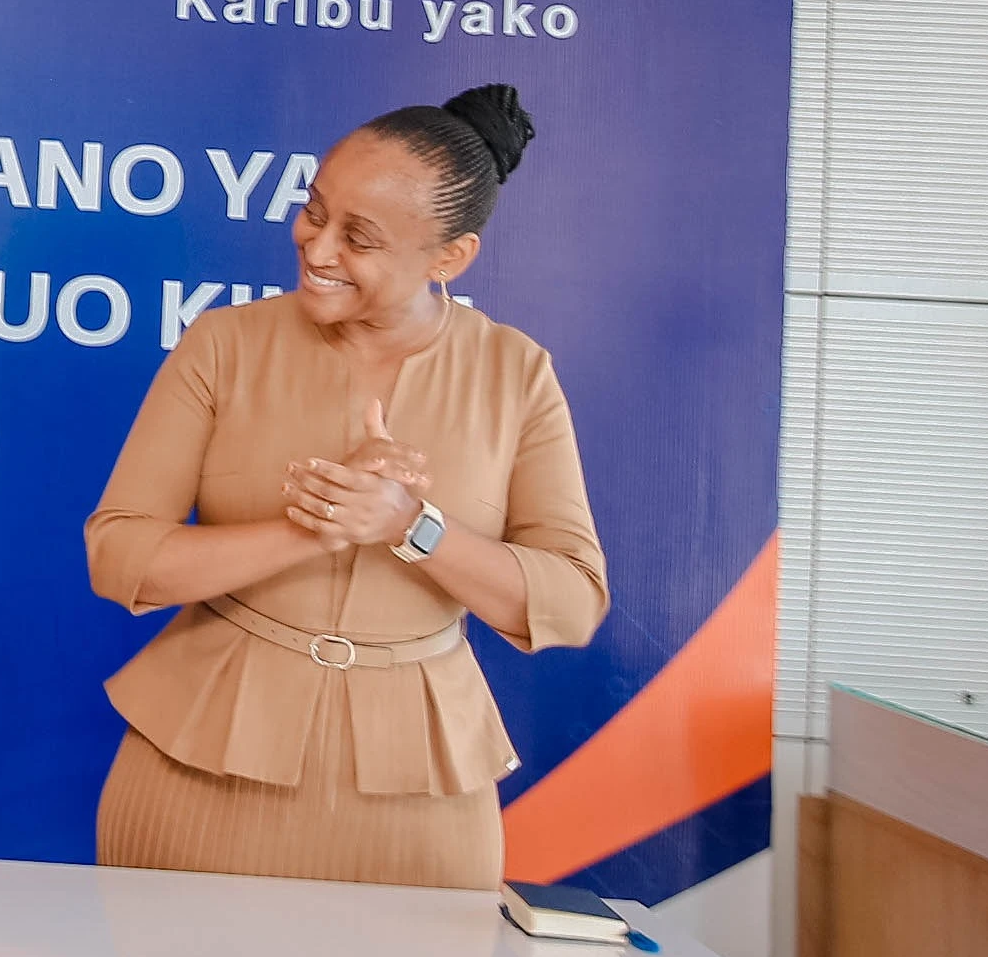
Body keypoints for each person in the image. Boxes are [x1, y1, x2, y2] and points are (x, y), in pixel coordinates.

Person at [84, 85, 606, 891]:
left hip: (419, 802)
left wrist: (411, 525)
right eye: (313, 211)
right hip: (200, 772)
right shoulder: (225, 345)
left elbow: (571, 603)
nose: (318, 248)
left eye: (358, 237)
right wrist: (313, 527)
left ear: (449, 259)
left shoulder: (516, 374)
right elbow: (119, 557)